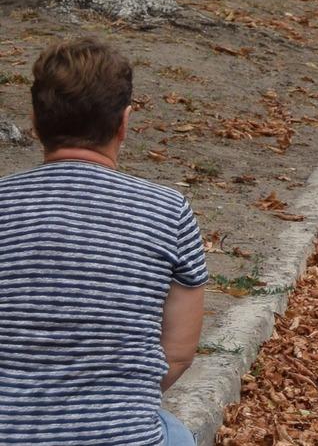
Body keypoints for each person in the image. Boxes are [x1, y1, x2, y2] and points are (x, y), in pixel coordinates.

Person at [0, 39, 209, 446]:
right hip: (121, 437)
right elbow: (179, 354)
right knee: (178, 434)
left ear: (35, 122)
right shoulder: (169, 211)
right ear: (124, 122)